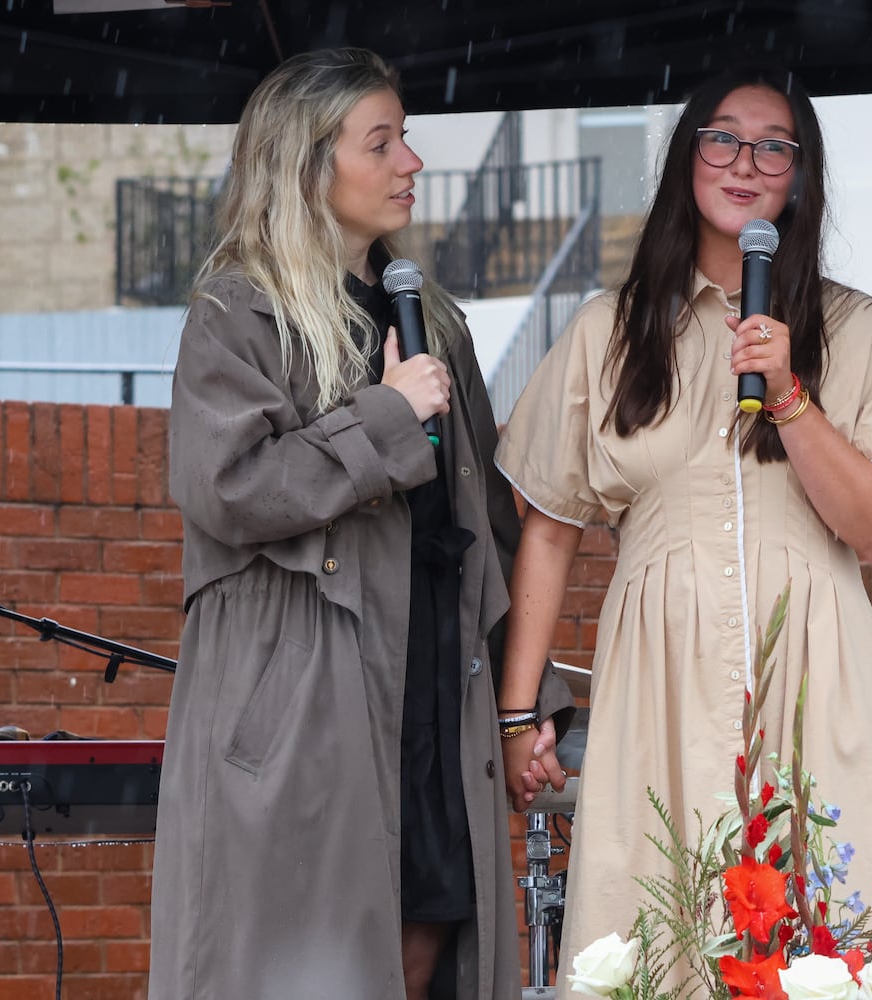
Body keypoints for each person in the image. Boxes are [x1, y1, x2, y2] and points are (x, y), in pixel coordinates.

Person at [493, 67, 872, 989]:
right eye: (723, 138)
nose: (746, 162)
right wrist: (514, 713)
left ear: (801, 176)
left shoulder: (860, 333)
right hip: (659, 682)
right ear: (687, 158)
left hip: (822, 676)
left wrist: (790, 397)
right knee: (661, 945)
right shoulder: (605, 335)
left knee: (838, 944)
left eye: (774, 145)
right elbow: (546, 530)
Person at [149, 47, 571, 1000]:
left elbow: (486, 530)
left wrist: (524, 699)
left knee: (426, 942)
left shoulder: (435, 322)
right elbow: (229, 488)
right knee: (306, 965)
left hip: (430, 677)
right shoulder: (237, 311)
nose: (410, 162)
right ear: (307, 165)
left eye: (406, 137)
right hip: (301, 687)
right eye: (380, 143)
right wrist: (384, 415)